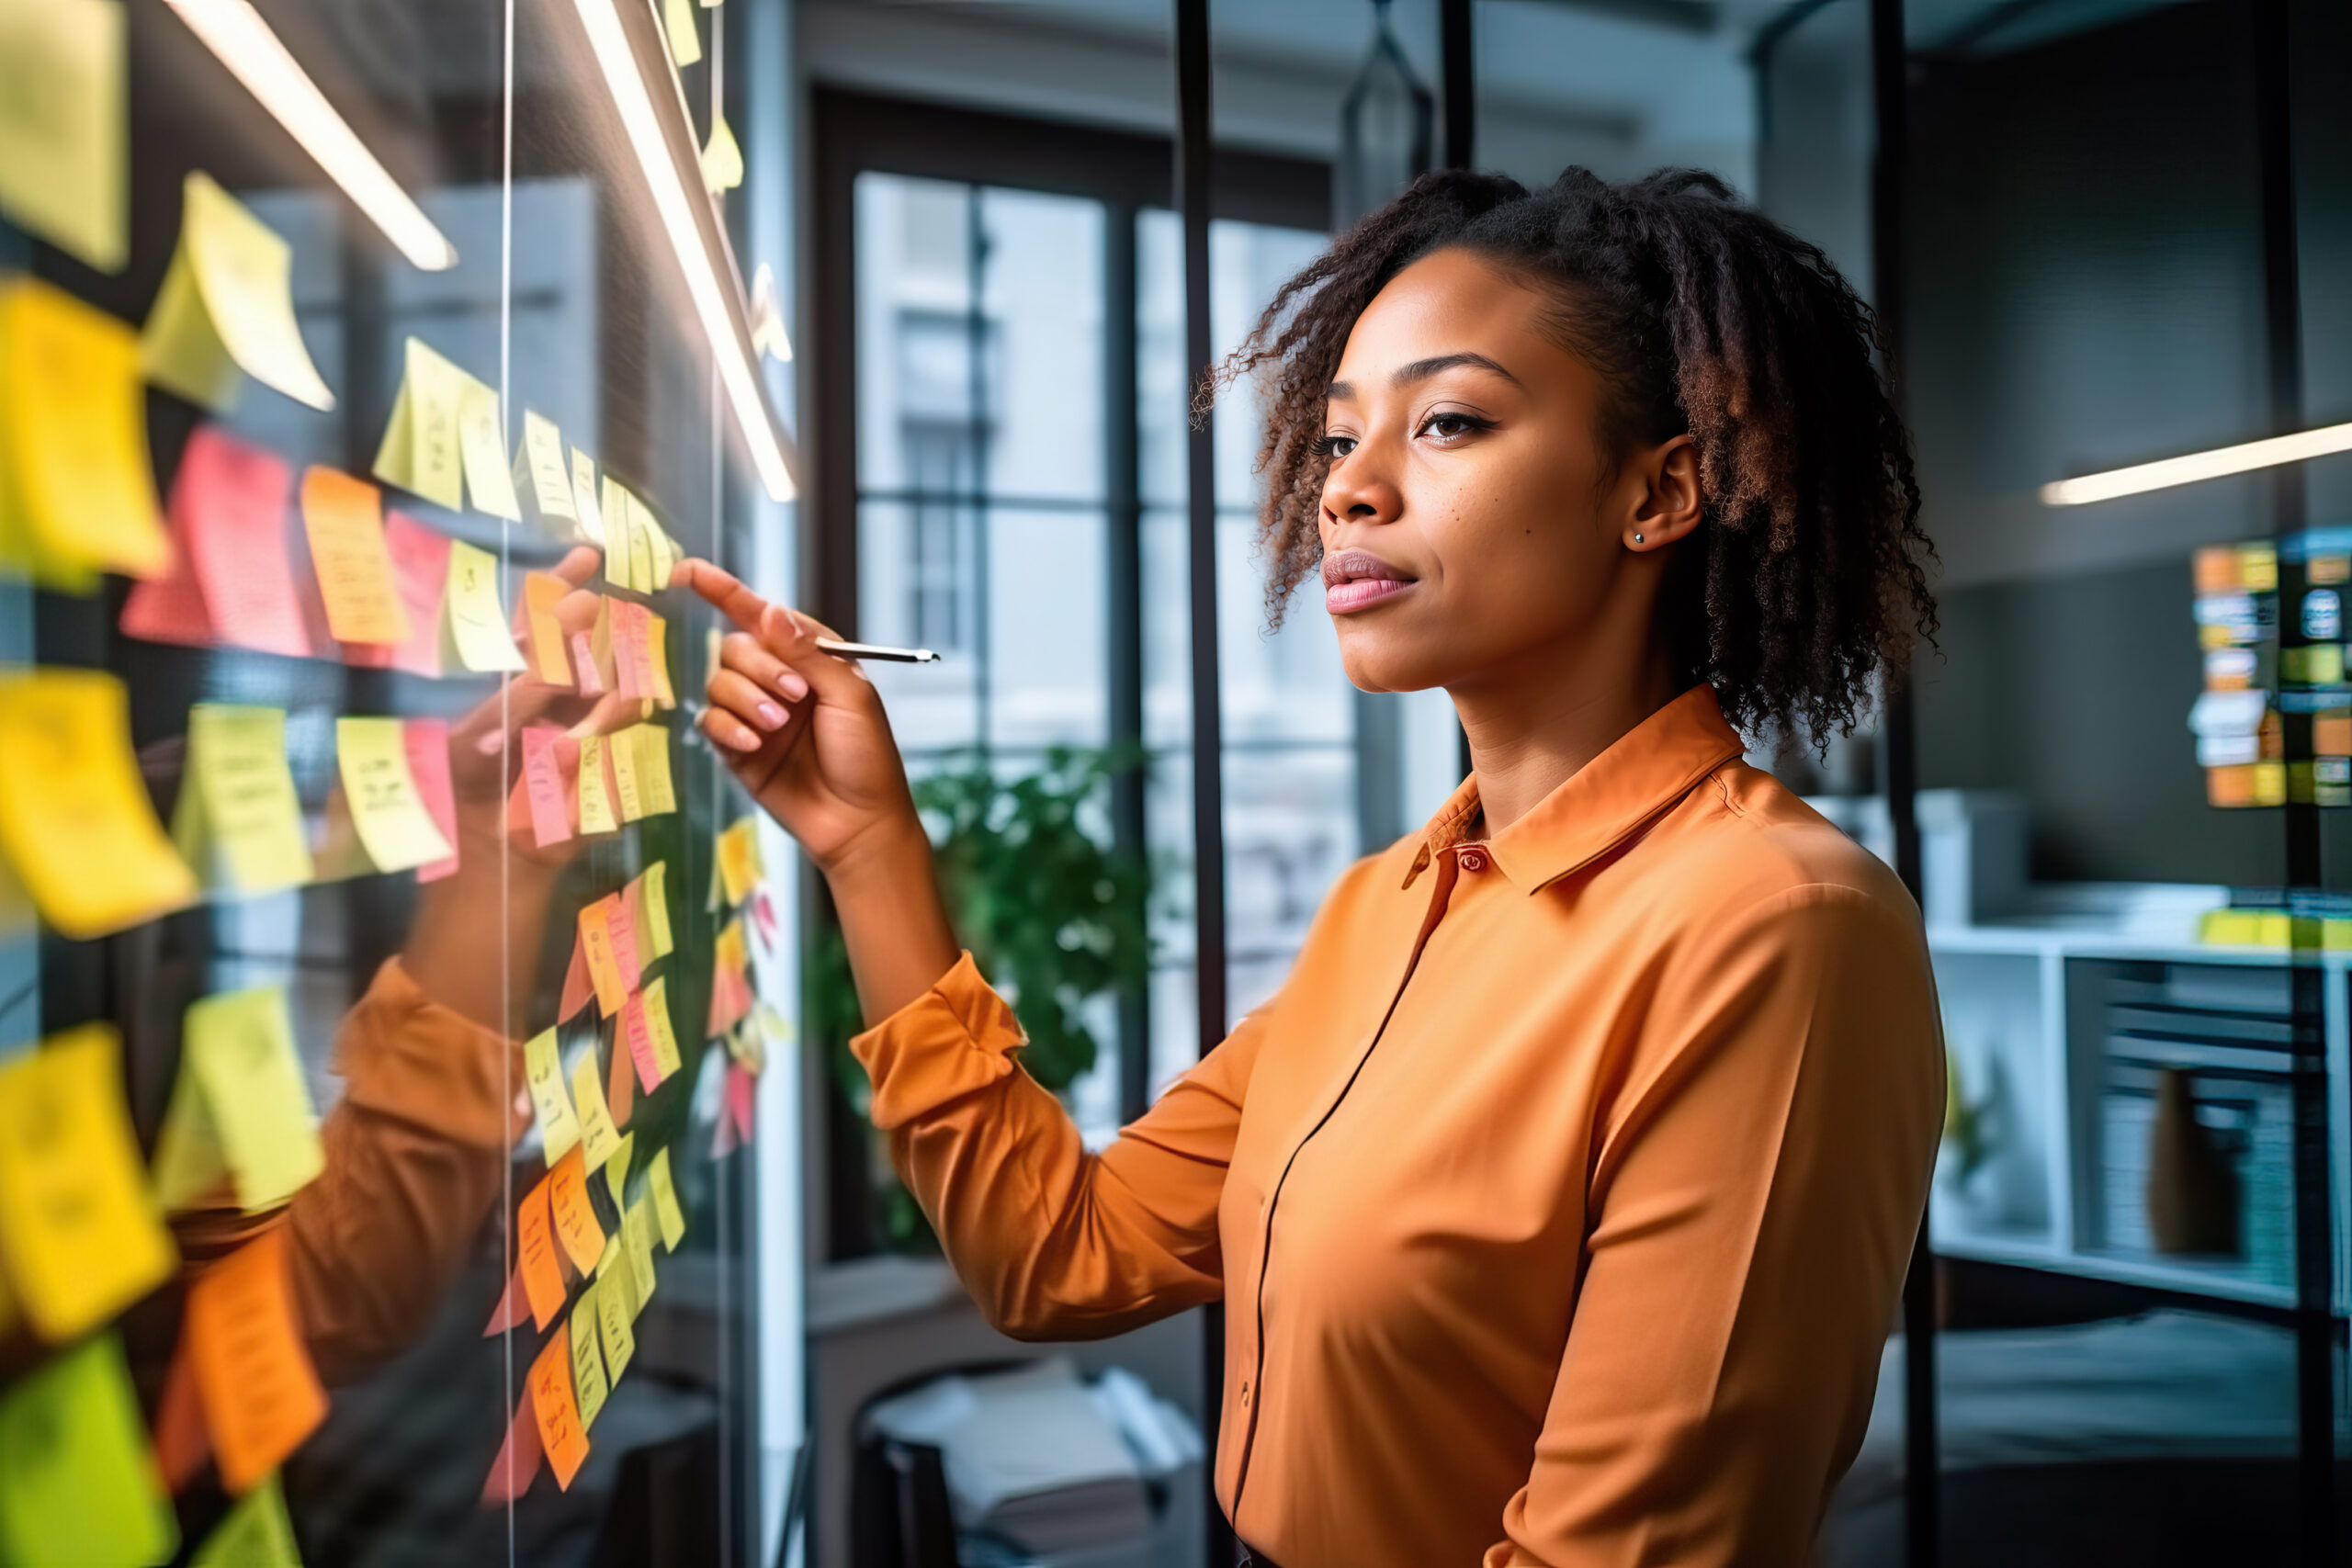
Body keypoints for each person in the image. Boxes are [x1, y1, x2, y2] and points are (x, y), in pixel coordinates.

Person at [684, 165, 1946, 1568]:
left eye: (1451, 422)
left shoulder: (1776, 924)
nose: (1347, 488)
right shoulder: (1390, 901)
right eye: (1340, 438)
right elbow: (1059, 1253)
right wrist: (868, 848)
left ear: (1658, 494)